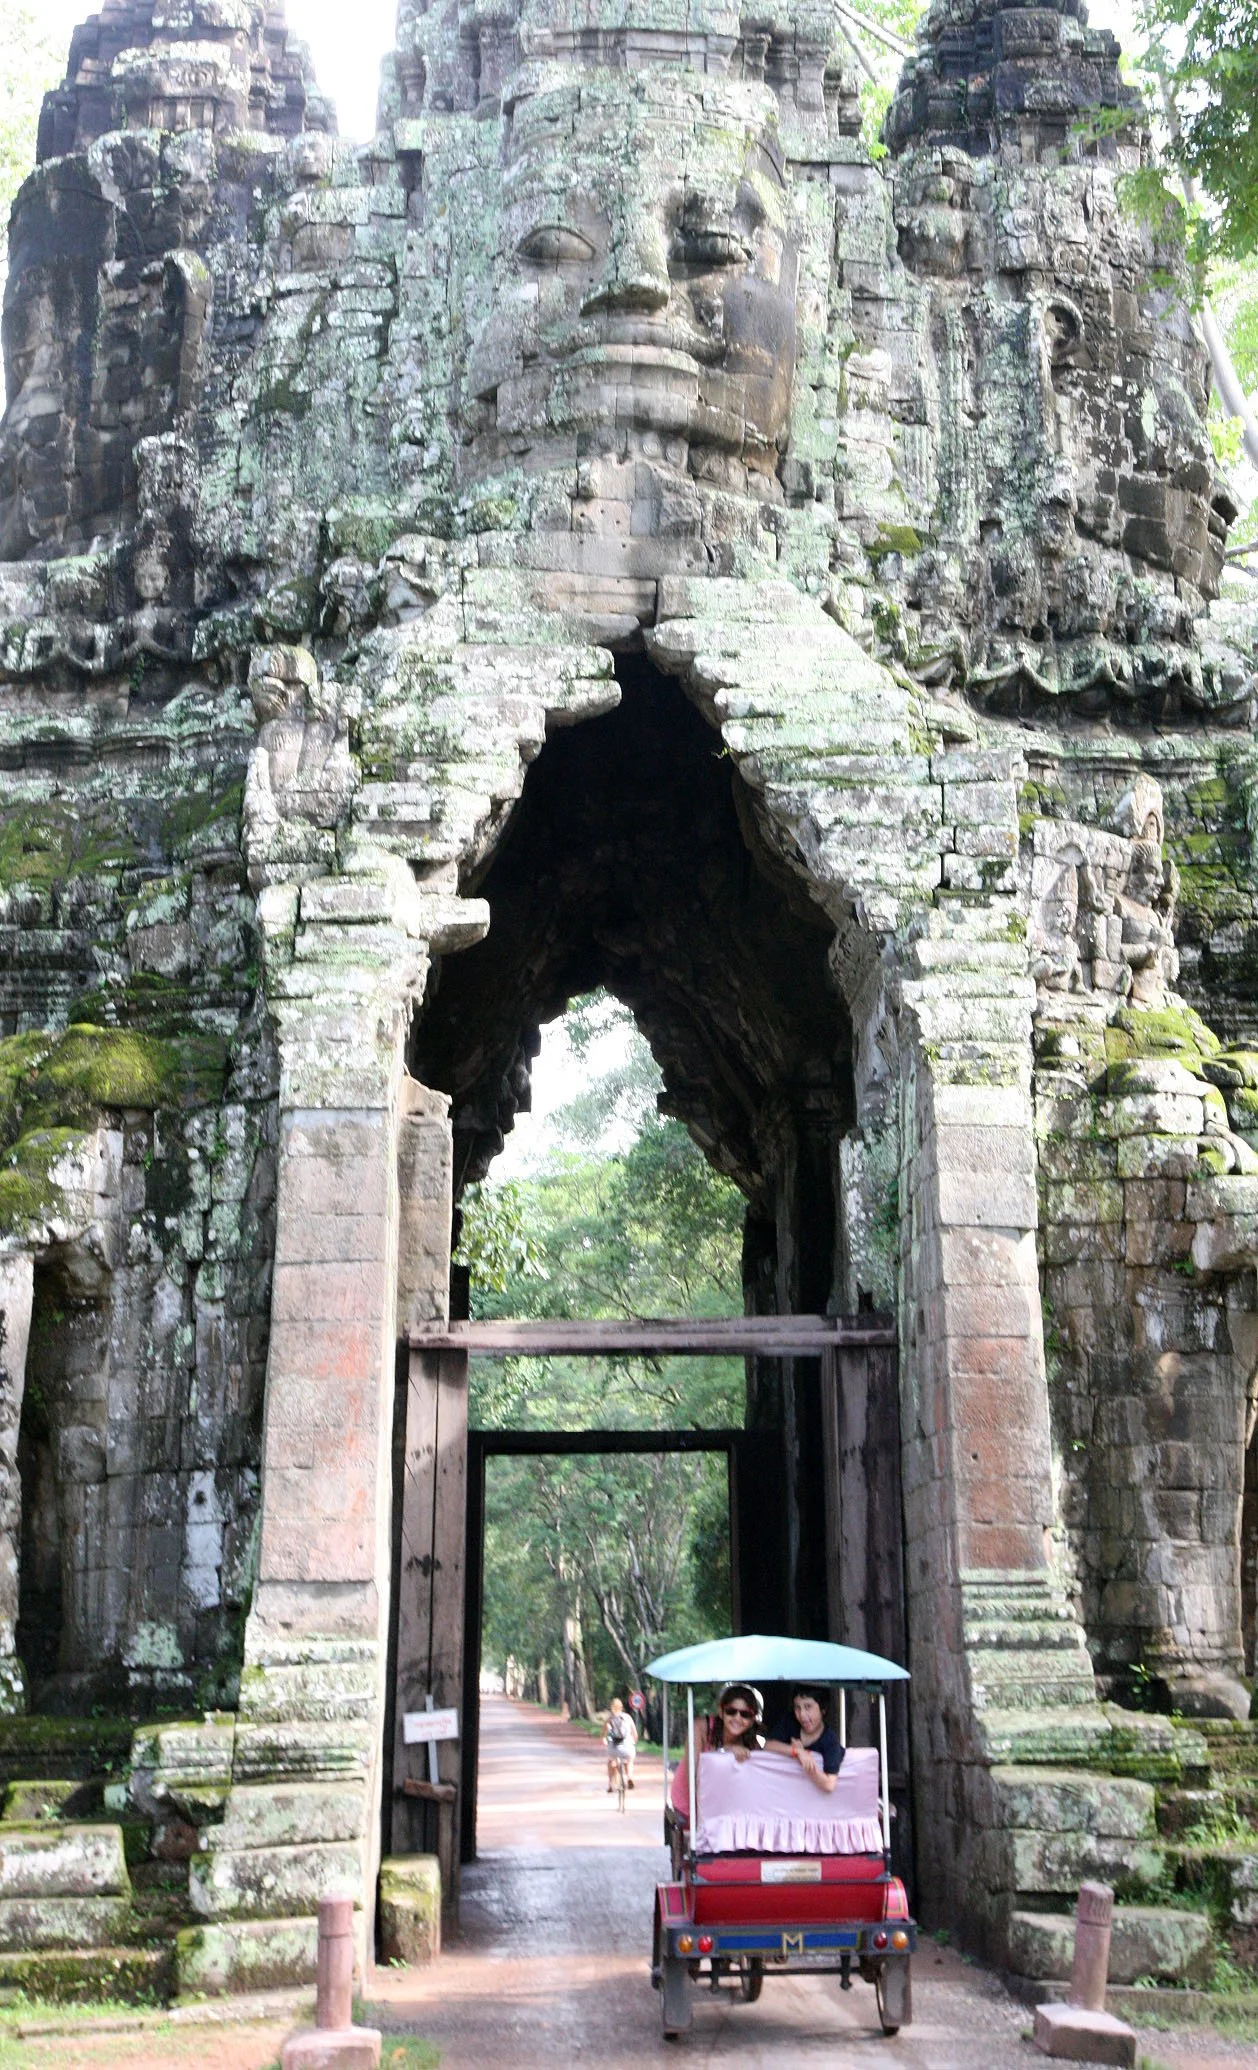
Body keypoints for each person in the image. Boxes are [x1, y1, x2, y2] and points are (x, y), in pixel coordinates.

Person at [763, 1685, 844, 1793]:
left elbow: (829, 1784)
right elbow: (767, 1745)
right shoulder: (790, 1722)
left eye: (808, 1707)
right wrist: (797, 1752)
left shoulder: (830, 1741)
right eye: (797, 1707)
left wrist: (808, 1764)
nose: (802, 1714)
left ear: (823, 1709)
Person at [701, 1683, 763, 1762]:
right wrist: (726, 1750)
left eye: (745, 1714)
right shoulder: (703, 1727)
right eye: (731, 1711)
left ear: (752, 1719)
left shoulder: (752, 1743)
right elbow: (691, 1770)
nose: (737, 1718)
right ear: (721, 1712)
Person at [604, 1697, 638, 1791]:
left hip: (613, 1748)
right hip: (627, 1748)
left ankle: (611, 1784)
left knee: (611, 1762)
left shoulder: (610, 1719)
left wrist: (603, 1739)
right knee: (630, 1760)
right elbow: (635, 1735)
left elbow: (604, 1734)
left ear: (612, 1707)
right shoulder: (628, 1717)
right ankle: (629, 1777)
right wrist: (633, 1743)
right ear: (621, 1707)